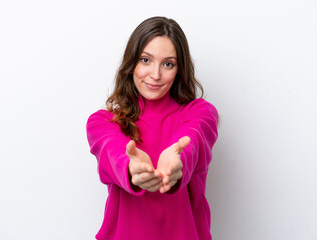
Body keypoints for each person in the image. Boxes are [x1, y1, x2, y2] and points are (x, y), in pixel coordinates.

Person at [86, 16, 219, 240]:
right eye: (146, 60)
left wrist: (178, 163)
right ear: (132, 63)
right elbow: (113, 150)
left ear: (179, 69)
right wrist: (130, 168)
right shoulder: (103, 122)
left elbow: (193, 138)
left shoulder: (201, 113)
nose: (155, 75)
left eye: (168, 64)